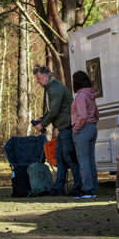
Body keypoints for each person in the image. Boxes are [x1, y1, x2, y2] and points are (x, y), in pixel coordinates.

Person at [32, 65, 82, 196]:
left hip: (67, 127)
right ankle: (59, 187)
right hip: (63, 129)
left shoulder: (55, 88)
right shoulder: (51, 88)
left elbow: (54, 110)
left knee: (70, 157)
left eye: (38, 79)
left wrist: (42, 124)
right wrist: (41, 118)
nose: (37, 81)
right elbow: (52, 109)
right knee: (60, 157)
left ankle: (78, 186)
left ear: (45, 77)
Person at [70, 70, 99, 199]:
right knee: (91, 160)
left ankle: (86, 189)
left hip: (83, 128)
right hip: (92, 127)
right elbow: (97, 114)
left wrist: (76, 128)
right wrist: (93, 124)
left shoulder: (80, 96)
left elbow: (82, 115)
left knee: (83, 161)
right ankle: (93, 189)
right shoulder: (91, 94)